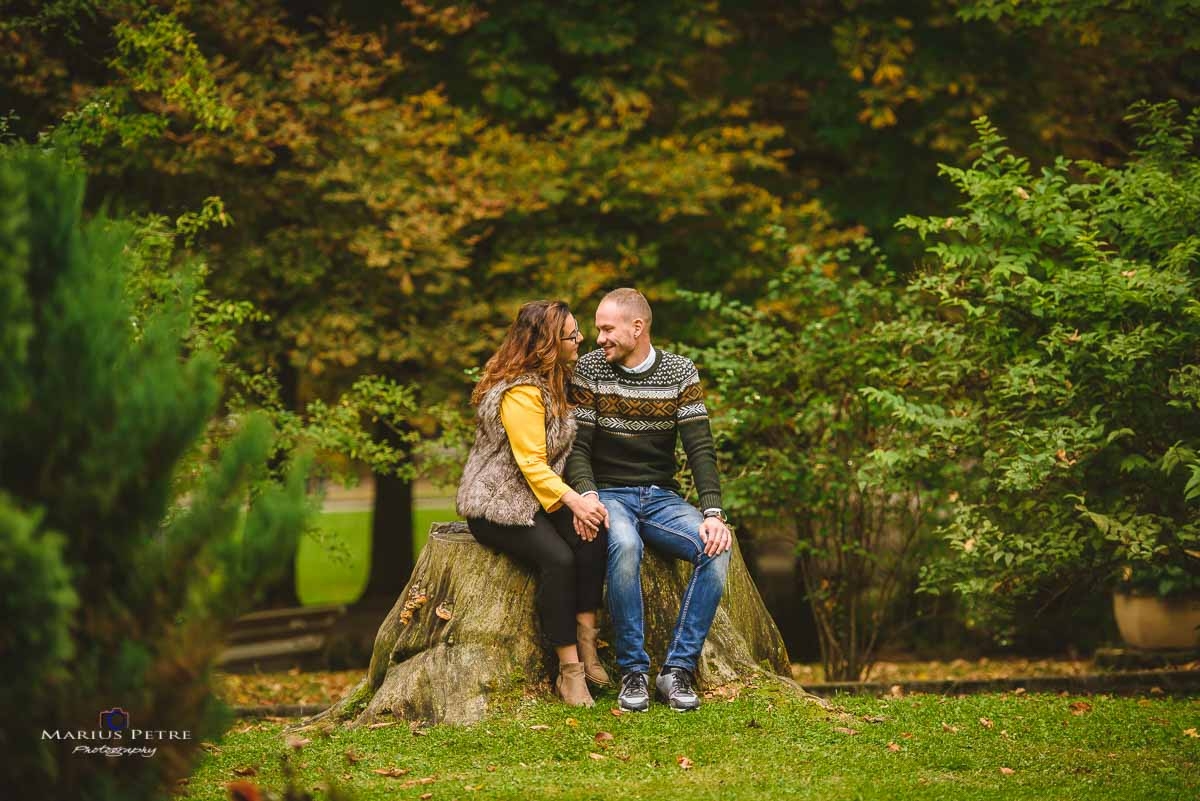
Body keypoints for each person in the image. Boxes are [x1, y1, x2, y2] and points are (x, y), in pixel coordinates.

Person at [566, 288, 733, 712]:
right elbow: (578, 448)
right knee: (624, 545)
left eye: (607, 328)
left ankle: (676, 670)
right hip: (608, 494)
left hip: (661, 497)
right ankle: (634, 672)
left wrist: (713, 512)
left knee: (715, 548)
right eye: (598, 328)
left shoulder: (679, 371)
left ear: (637, 327)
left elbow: (700, 448)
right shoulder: (589, 370)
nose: (597, 337)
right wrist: (587, 495)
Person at [456, 300, 612, 707]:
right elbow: (530, 462)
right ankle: (570, 671)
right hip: (498, 504)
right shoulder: (521, 391)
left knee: (594, 536)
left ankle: (587, 642)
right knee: (559, 559)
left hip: (540, 499)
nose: (581, 340)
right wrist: (574, 502)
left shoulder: (558, 378)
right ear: (547, 344)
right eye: (572, 335)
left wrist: (582, 506)